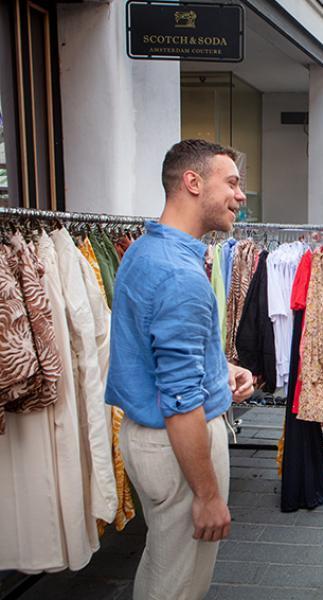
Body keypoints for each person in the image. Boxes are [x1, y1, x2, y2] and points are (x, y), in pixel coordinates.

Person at [105, 139, 255, 600]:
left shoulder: (146, 250)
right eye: (231, 182)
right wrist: (209, 497)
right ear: (193, 183)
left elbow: (159, 352)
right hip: (178, 443)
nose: (240, 195)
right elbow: (180, 401)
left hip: (152, 439)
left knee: (164, 561)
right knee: (179, 584)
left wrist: (218, 368)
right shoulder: (179, 273)